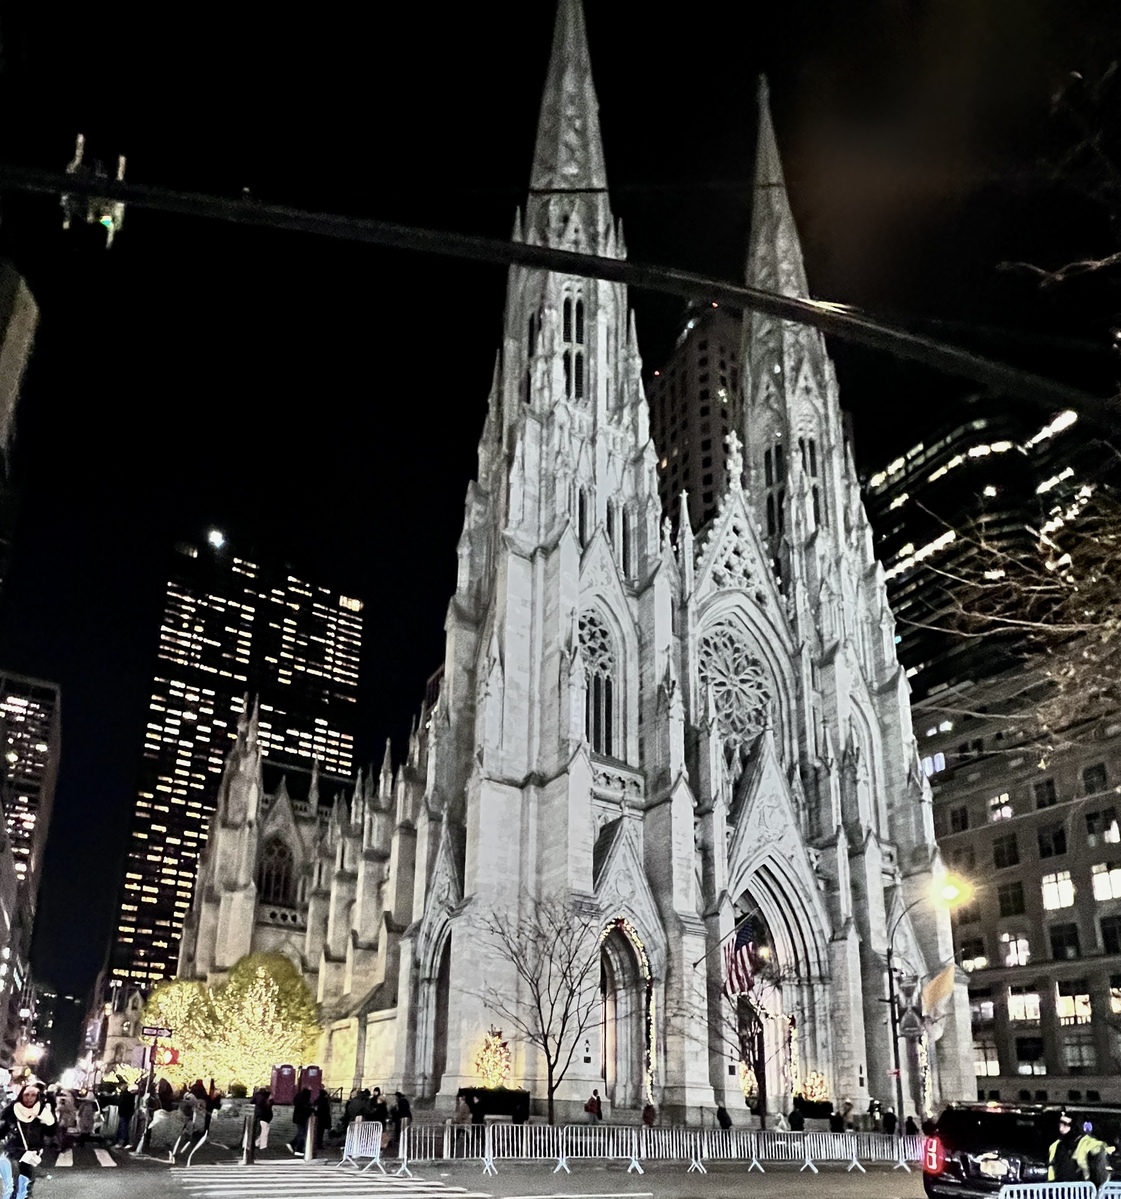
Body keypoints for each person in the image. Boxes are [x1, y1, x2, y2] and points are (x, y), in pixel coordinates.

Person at [0, 1082, 56, 1199]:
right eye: (26, 1095)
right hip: (14, 1152)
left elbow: (50, 1132)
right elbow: (3, 1130)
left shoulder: (41, 1112)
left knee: (27, 1185)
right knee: (14, 1184)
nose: (29, 1098)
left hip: (31, 1153)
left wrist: (49, 1121)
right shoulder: (13, 1111)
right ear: (21, 1095)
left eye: (33, 1095)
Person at [1048, 1111, 1108, 1185]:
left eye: (1066, 1124)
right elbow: (1052, 1169)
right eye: (1060, 1123)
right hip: (1060, 1191)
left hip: (1084, 1192)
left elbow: (1100, 1174)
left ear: (1075, 1126)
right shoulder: (1055, 1145)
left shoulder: (1089, 1144)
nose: (1061, 1128)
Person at [288, 1087, 313, 1155]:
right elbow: (305, 1108)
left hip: (298, 1117)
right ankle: (298, 1149)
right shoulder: (304, 1098)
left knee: (301, 1133)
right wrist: (311, 1110)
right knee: (302, 1133)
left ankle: (293, 1144)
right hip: (301, 1118)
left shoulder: (299, 1097)